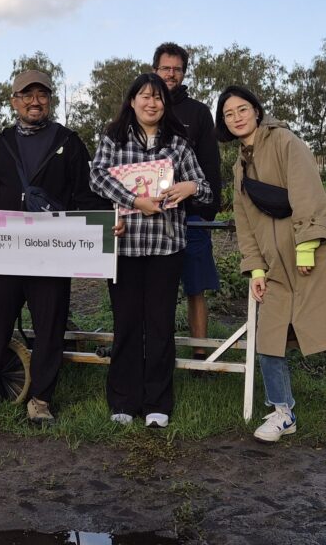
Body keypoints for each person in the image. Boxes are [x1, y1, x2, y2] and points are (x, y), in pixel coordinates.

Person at [215, 84, 326, 473]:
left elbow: (308, 193)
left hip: (317, 259)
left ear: (256, 110)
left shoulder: (285, 142)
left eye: (242, 109)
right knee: (269, 340)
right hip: (276, 269)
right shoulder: (239, 167)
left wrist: (306, 247)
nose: (236, 117)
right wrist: (256, 268)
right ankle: (284, 412)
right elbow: (245, 222)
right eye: (229, 113)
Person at [0, 69, 109, 425]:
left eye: (41, 94)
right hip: (5, 254)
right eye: (26, 95)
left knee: (50, 327)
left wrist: (109, 220)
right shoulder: (2, 143)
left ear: (49, 100)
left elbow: (83, 195)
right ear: (14, 101)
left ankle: (41, 399)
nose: (34, 101)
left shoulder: (69, 142)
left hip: (51, 254)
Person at [90, 73, 213, 428]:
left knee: (160, 325)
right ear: (132, 101)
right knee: (126, 323)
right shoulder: (113, 139)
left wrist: (190, 187)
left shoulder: (178, 145)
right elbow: (97, 177)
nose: (151, 103)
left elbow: (205, 189)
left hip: (165, 248)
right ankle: (123, 400)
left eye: (157, 97)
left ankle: (157, 402)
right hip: (124, 247)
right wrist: (133, 201)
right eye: (144, 96)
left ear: (165, 104)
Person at [152, 42, 222, 358]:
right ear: (155, 70)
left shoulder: (198, 113)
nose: (171, 74)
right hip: (152, 217)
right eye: (165, 68)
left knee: (195, 287)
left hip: (191, 217)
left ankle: (200, 354)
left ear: (183, 73)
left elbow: (210, 165)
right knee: (158, 290)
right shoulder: (142, 107)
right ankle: (157, 351)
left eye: (177, 69)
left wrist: (206, 212)